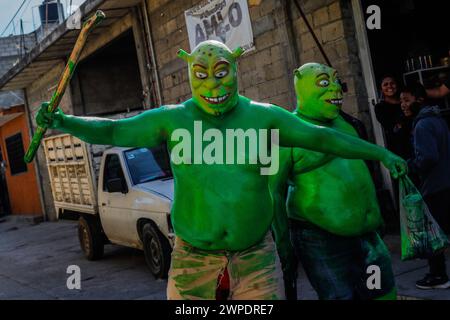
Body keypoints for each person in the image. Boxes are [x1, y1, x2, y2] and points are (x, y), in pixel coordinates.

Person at [36, 41, 407, 300]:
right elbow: (114, 130)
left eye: (221, 72)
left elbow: (323, 138)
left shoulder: (264, 117)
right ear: (189, 74)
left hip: (255, 257)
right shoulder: (174, 119)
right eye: (201, 74)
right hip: (192, 257)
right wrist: (65, 120)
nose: (212, 84)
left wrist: (380, 154)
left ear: (236, 69)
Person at [271, 63, 398, 300]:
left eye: (335, 81)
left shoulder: (348, 124)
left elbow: (362, 170)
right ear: (300, 85)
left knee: (382, 291)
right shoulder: (283, 135)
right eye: (323, 82)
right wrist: (283, 243)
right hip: (321, 240)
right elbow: (274, 193)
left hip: (368, 236)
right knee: (340, 296)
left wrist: (375, 213)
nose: (335, 89)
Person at [400, 84, 450, 289]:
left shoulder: (422, 125)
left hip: (436, 187)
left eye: (406, 100)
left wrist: (409, 165)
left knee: (433, 234)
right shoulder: (437, 120)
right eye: (401, 100)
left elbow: (428, 157)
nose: (402, 105)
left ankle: (438, 276)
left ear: (419, 100)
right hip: (445, 182)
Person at [375, 76, 412, 160]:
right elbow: (392, 127)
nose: (389, 86)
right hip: (398, 147)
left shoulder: (406, 103)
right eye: (385, 84)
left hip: (414, 142)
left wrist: (401, 125)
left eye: (392, 83)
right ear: (381, 89)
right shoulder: (380, 107)